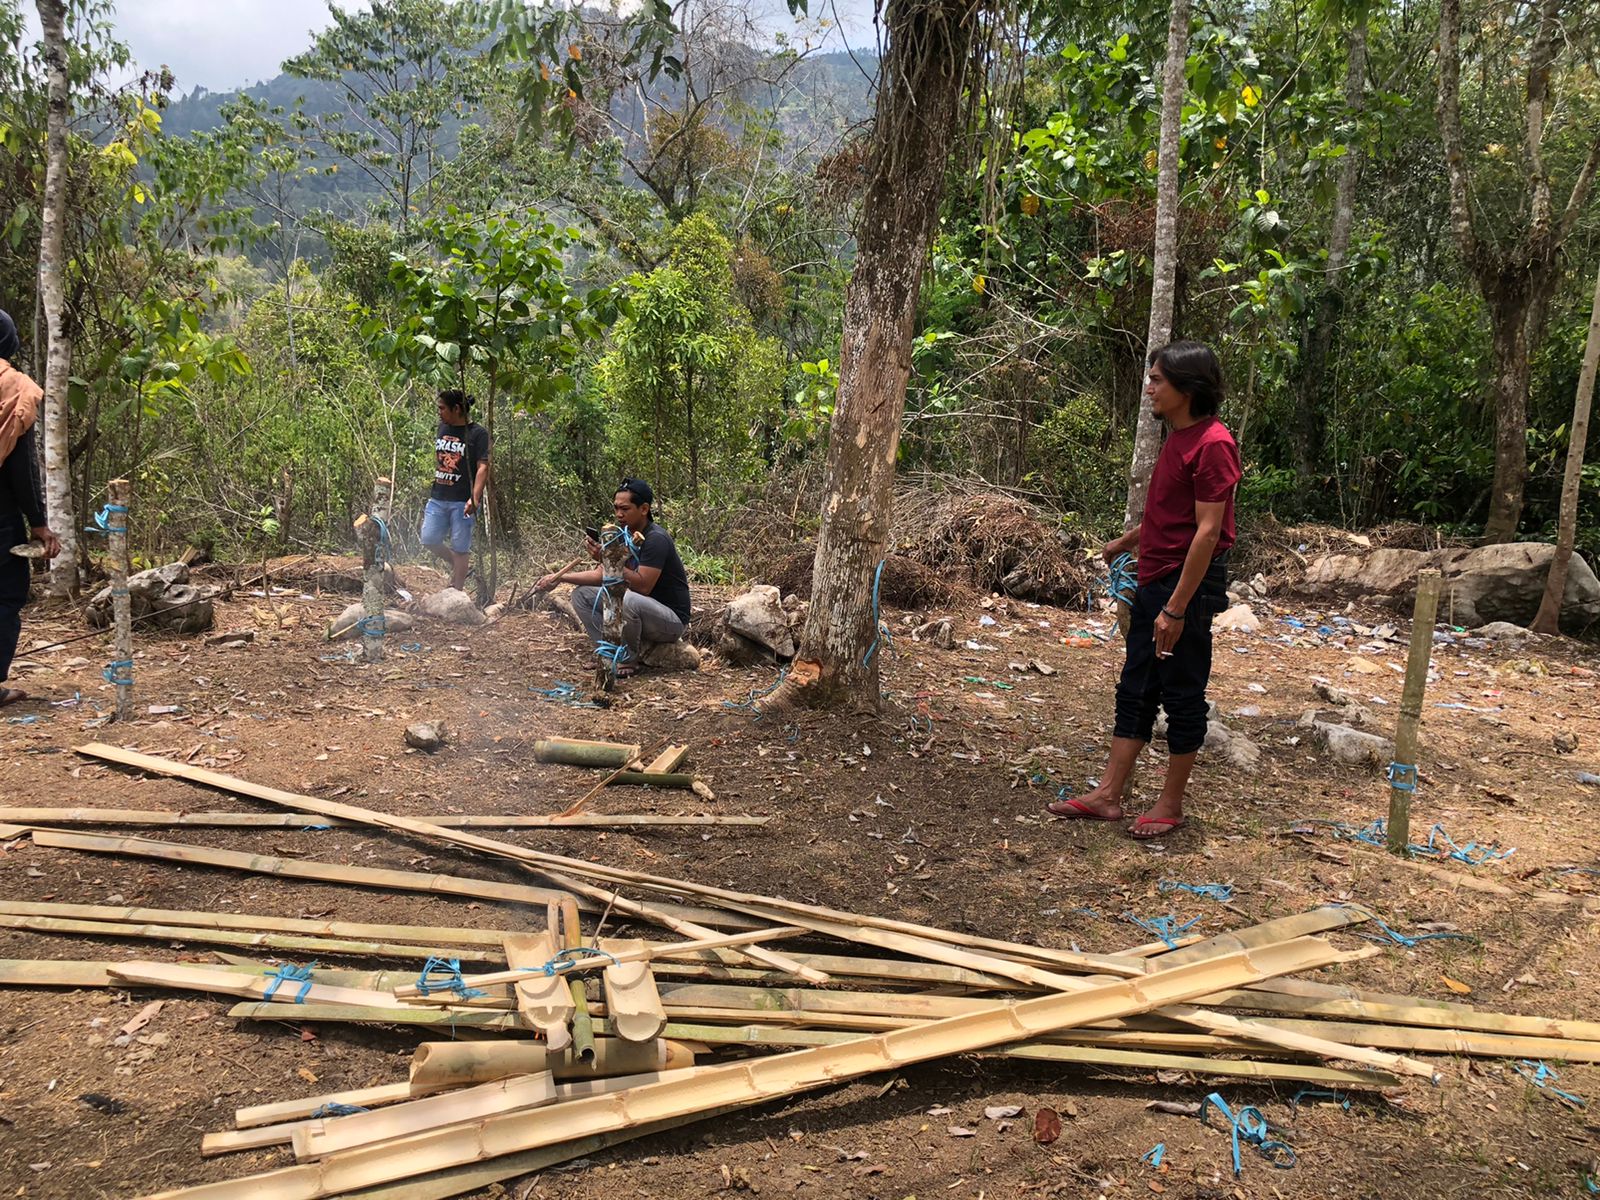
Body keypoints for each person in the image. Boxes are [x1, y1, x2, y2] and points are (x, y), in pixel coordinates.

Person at [1047, 340, 1240, 838]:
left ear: (1187, 388)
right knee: (1136, 685)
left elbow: (1207, 532)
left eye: (1157, 380)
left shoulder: (1213, 444)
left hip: (1186, 586)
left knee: (1182, 693)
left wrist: (1176, 609)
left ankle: (1170, 805)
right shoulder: (1178, 438)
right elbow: (1171, 514)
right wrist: (1126, 542)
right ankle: (1108, 794)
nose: (1149, 388)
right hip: (1156, 578)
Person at [536, 478, 692, 674]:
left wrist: (608, 558)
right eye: (616, 508)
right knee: (581, 595)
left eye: (625, 509)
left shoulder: (656, 539)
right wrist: (559, 578)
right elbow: (602, 574)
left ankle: (628, 660)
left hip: (670, 620)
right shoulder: (624, 534)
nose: (619, 514)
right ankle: (608, 655)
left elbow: (643, 586)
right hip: (639, 610)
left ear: (644, 509)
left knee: (628, 599)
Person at [0, 308, 63, 707]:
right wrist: (39, 522)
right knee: (6, 596)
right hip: (1, 516)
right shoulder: (14, 388)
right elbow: (21, 469)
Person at [419, 389, 490, 591]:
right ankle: (460, 567)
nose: (439, 412)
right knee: (428, 538)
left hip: (462, 500)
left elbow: (483, 467)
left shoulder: (478, 434)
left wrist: (474, 498)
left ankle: (457, 591)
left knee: (460, 547)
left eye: (442, 408)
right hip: (438, 497)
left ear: (456, 409)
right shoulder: (442, 428)